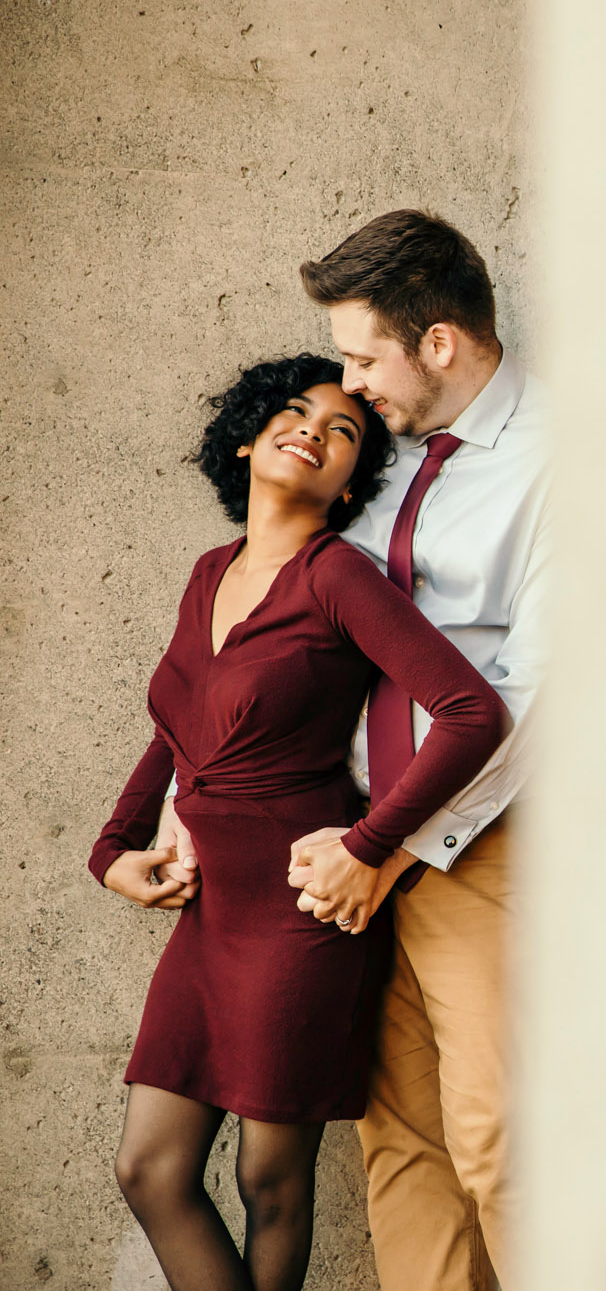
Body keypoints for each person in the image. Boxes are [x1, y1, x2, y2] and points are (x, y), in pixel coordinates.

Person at [158, 210, 551, 1289]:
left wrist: (390, 840)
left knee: (503, 1141)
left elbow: (531, 691)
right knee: (401, 1146)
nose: (348, 380)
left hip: (472, 842)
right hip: (337, 851)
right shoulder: (372, 459)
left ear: (437, 343)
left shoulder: (566, 460)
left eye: (363, 353)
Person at [90, 355, 510, 1291]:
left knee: (266, 1177)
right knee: (151, 1170)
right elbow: (177, 724)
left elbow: (472, 714)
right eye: (294, 411)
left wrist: (370, 844)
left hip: (298, 913)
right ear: (245, 436)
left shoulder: (337, 575)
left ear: (350, 480)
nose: (314, 430)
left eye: (344, 430)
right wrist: (111, 850)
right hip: (209, 918)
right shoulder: (210, 572)